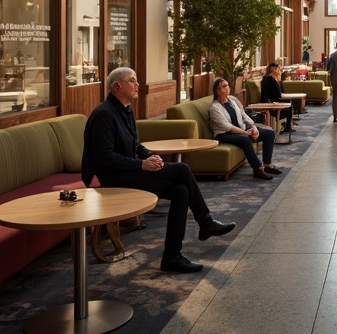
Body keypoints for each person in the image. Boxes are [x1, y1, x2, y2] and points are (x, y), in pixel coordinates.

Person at [81, 67, 235, 274]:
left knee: (181, 191)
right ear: (118, 86)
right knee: (182, 169)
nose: (137, 85)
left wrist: (148, 155)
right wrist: (141, 164)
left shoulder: (125, 109)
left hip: (127, 172)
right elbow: (104, 157)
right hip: (113, 179)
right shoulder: (104, 114)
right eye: (132, 81)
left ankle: (172, 256)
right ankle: (205, 222)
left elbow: (134, 145)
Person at [208, 78, 281, 180]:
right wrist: (246, 133)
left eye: (227, 85)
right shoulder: (215, 107)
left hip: (241, 130)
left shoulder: (232, 100)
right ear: (217, 90)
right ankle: (257, 169)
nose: (227, 88)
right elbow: (228, 127)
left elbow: (244, 115)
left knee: (270, 133)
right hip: (225, 134)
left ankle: (267, 165)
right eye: (224, 86)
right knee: (245, 139)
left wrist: (253, 128)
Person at [261, 61, 294, 134]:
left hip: (270, 102)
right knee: (289, 107)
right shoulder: (271, 80)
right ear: (272, 69)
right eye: (277, 69)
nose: (279, 71)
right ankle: (288, 127)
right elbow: (278, 94)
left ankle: (287, 126)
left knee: (289, 104)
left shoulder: (267, 79)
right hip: (271, 105)